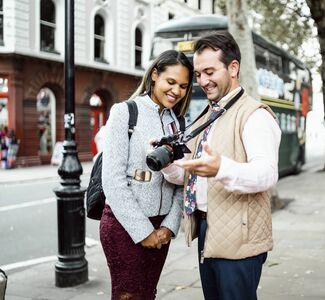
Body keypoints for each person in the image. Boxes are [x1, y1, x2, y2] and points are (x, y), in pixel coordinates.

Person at [161, 31, 281, 300]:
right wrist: (167, 163)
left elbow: (266, 174)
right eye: (199, 73)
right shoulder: (208, 114)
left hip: (240, 237)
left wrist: (221, 169)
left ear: (233, 67)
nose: (202, 81)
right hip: (208, 229)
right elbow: (189, 173)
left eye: (210, 72)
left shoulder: (255, 115)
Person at [99, 49, 193, 300]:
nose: (176, 91)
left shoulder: (180, 124)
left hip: (161, 227)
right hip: (123, 226)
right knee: (128, 295)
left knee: (147, 294)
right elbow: (113, 181)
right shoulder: (125, 112)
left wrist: (169, 228)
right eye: (170, 82)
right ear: (154, 75)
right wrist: (143, 232)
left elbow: (183, 181)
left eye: (183, 86)